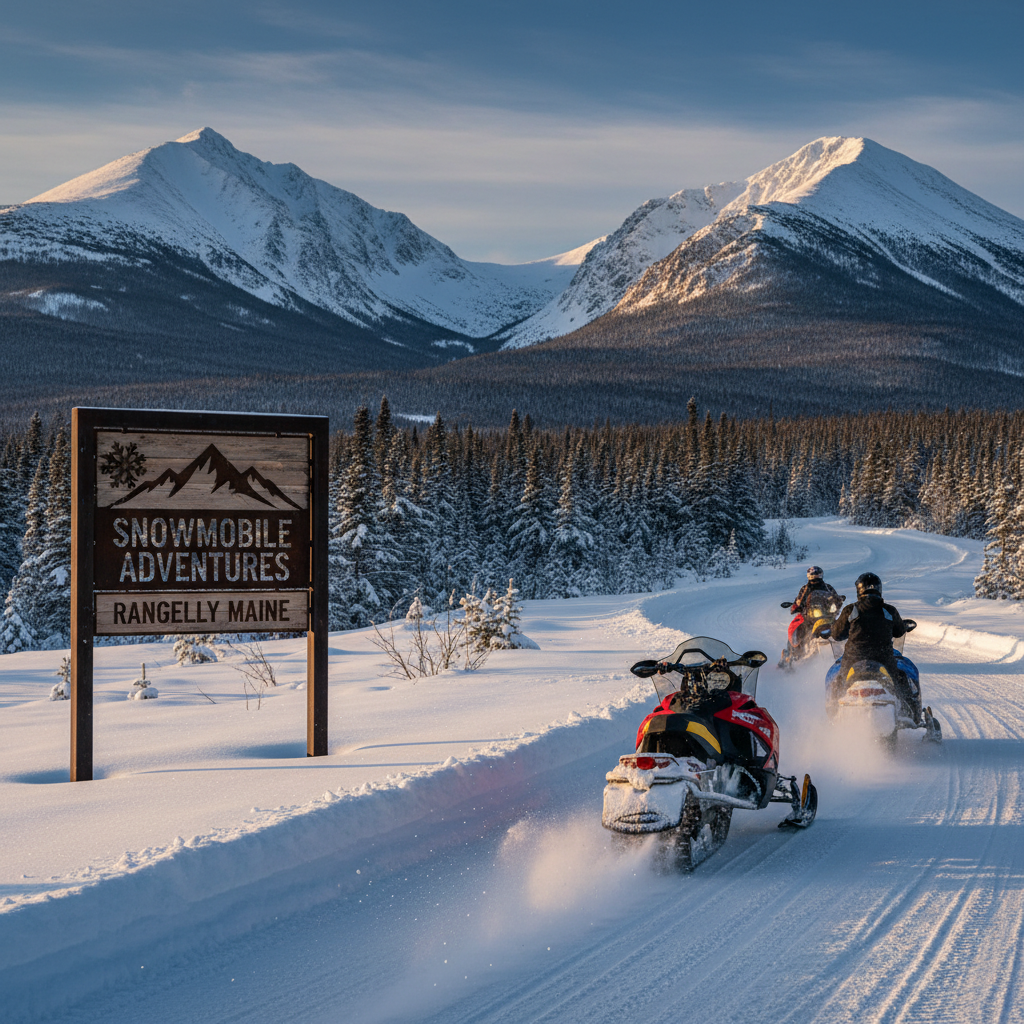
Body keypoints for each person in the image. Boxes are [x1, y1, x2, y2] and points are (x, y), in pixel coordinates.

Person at [829, 572, 921, 723]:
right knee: (902, 680)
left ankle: (833, 716)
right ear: (879, 589)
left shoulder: (850, 610)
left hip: (853, 661)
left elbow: (838, 635)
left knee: (838, 683)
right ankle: (910, 715)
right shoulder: (889, 610)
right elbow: (898, 631)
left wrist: (833, 628)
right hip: (883, 660)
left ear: (859, 590)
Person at [779, 566, 841, 667]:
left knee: (840, 627)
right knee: (798, 628)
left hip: (826, 615)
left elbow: (835, 598)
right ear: (809, 576)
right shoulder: (805, 588)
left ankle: (843, 649)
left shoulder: (828, 587)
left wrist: (838, 602)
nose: (815, 576)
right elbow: (799, 600)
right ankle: (793, 654)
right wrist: (796, 607)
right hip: (810, 616)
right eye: (813, 574)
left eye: (817, 574)